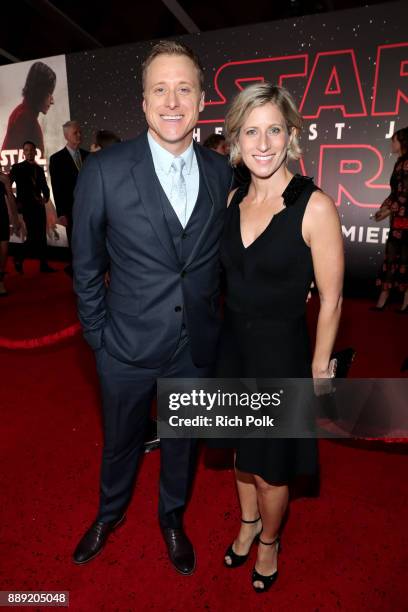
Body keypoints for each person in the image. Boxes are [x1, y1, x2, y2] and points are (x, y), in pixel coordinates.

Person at [71, 41, 232, 575]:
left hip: (195, 348)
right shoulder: (103, 170)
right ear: (142, 103)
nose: (172, 100)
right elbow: (87, 266)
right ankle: (108, 514)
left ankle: (172, 518)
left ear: (202, 99)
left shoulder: (221, 172)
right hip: (125, 348)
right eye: (159, 89)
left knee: (182, 446)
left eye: (184, 88)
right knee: (120, 444)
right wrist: (99, 339)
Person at [217, 83, 343, 593]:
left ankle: (269, 539)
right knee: (238, 455)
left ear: (291, 135)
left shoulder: (314, 206)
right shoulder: (232, 197)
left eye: (274, 129)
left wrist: (319, 371)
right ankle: (247, 525)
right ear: (236, 139)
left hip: (280, 356)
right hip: (233, 350)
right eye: (251, 130)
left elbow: (331, 300)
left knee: (270, 468)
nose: (262, 143)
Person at [372, 127, 408, 312]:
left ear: (402, 142)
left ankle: (400, 302)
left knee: (401, 257)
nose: (391, 143)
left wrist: (387, 211)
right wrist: (385, 208)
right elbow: (395, 193)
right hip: (399, 219)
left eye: (394, 140)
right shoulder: (399, 163)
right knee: (395, 256)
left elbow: (405, 195)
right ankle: (387, 299)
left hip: (404, 219)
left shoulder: (405, 163)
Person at [49, 120, 89, 276]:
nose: (79, 135)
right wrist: (61, 213)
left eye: (80, 132)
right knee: (75, 241)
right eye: (75, 133)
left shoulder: (88, 155)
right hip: (71, 210)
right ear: (66, 136)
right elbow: (57, 188)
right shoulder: (57, 159)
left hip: (90, 208)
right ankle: (76, 271)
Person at [10, 141, 56, 274]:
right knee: (32, 237)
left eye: (31, 150)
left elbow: (45, 188)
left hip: (39, 206)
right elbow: (7, 185)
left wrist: (46, 198)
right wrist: (15, 201)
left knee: (42, 237)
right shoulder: (17, 168)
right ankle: (19, 257)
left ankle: (43, 265)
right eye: (26, 150)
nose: (29, 152)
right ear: (23, 152)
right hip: (26, 206)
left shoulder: (39, 169)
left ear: (35, 152)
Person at [2, 61, 56, 158]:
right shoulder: (25, 117)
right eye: (49, 94)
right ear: (39, 93)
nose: (52, 101)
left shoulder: (22, 112)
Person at [0, 172, 23, 295]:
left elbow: (10, 198)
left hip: (1, 215)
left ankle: (0, 280)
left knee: (4, 247)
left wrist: (15, 219)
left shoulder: (3, 178)